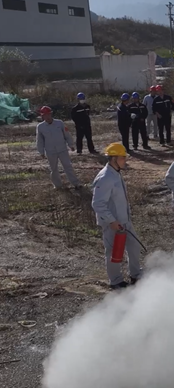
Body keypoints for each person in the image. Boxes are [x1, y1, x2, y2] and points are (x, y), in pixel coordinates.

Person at [91, 143, 142, 290]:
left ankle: (135, 275)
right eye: (122, 158)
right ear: (113, 159)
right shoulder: (105, 177)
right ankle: (116, 281)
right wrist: (111, 221)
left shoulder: (116, 173)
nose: (125, 160)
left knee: (133, 246)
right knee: (113, 252)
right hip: (112, 224)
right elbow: (97, 203)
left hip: (124, 220)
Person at [37, 106, 81, 189]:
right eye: (45, 115)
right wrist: (41, 151)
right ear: (42, 116)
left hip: (62, 149)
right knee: (53, 169)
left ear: (51, 114)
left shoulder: (59, 123)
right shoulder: (40, 127)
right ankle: (57, 185)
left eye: (48, 114)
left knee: (68, 166)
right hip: (50, 151)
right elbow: (40, 140)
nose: (47, 117)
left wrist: (71, 144)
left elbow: (66, 134)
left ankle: (76, 183)